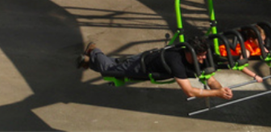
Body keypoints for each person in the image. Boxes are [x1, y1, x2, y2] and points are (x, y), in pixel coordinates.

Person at [77, 34, 234, 102]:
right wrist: (216, 93)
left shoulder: (200, 57)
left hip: (150, 63)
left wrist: (221, 90)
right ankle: (94, 52)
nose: (203, 59)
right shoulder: (176, 61)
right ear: (188, 52)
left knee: (116, 65)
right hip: (141, 65)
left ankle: (89, 61)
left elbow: (210, 79)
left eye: (204, 55)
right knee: (108, 70)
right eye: (200, 56)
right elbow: (189, 91)